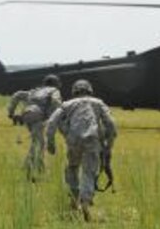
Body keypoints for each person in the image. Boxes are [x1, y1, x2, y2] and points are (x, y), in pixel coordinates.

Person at [46, 79, 117, 221]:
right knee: (89, 172)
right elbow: (111, 124)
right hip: (92, 141)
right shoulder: (98, 103)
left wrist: (51, 142)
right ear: (90, 90)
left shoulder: (67, 104)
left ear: (74, 91)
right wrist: (109, 145)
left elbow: (52, 122)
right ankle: (85, 202)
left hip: (73, 141)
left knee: (72, 168)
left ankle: (73, 199)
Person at [7, 75, 63, 180]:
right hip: (37, 117)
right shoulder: (53, 90)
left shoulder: (35, 91)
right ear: (55, 83)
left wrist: (11, 112)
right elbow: (56, 102)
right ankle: (31, 170)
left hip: (27, 115)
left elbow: (17, 95)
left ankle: (36, 168)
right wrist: (60, 114)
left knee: (37, 142)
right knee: (39, 144)